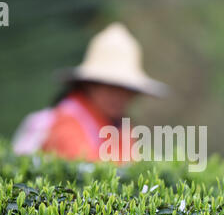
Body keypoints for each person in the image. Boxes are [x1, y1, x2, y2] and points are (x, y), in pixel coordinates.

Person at [12, 22, 167, 162]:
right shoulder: (67, 122)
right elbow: (88, 173)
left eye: (125, 89)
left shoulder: (121, 127)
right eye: (110, 86)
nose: (118, 96)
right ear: (90, 84)